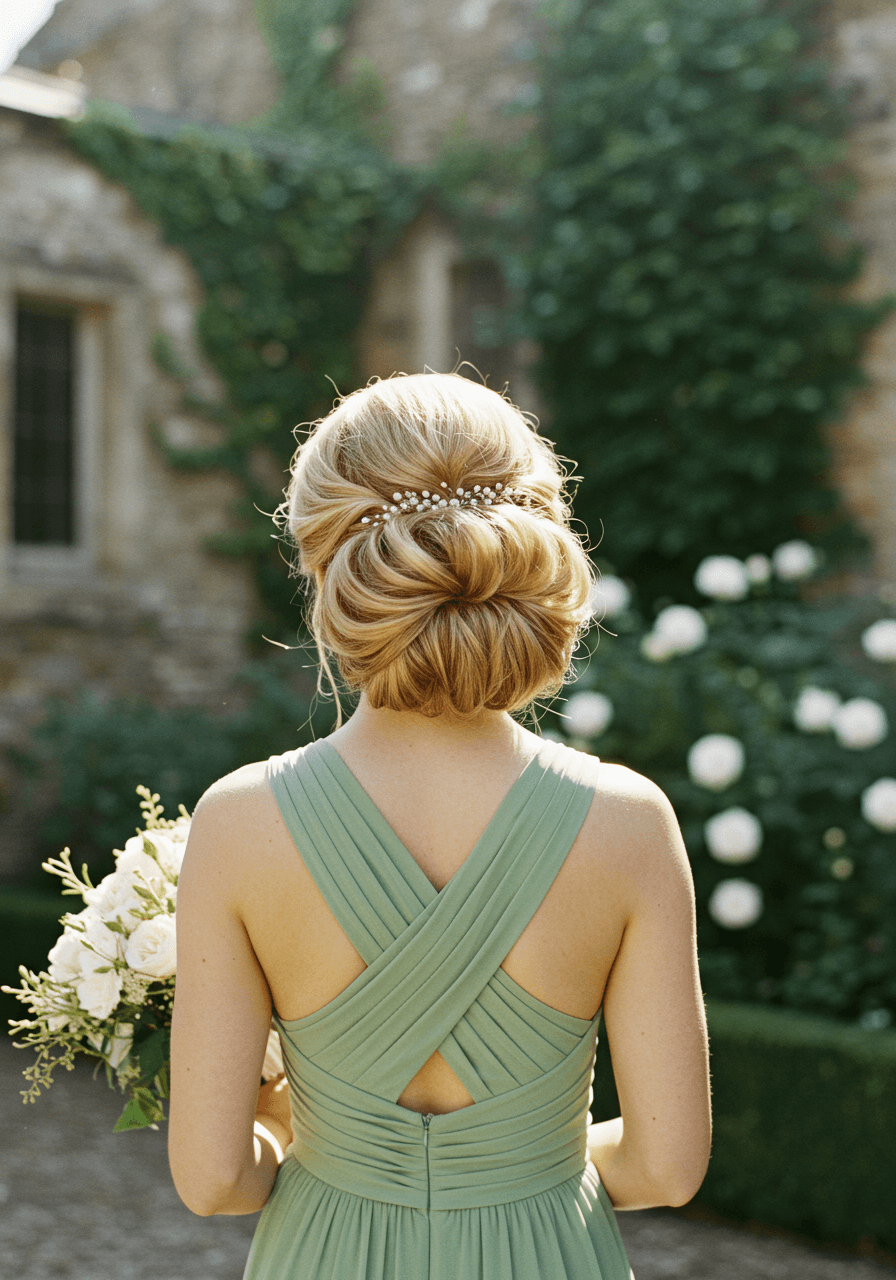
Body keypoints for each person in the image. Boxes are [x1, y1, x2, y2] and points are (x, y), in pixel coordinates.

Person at [167, 373, 712, 1279]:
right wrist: (515, 1173)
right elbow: (667, 1164)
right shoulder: (628, 823)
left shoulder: (239, 822)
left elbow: (214, 1178)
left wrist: (275, 1121)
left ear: (323, 564)